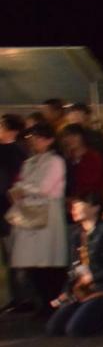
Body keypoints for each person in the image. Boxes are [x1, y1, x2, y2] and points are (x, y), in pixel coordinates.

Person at [46, 194, 103, 337]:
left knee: (75, 330)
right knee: (54, 328)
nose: (74, 209)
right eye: (73, 206)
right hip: (83, 290)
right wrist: (66, 290)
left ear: (95, 208)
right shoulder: (76, 234)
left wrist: (94, 277)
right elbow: (74, 267)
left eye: (79, 205)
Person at [8, 121, 69, 313]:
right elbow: (23, 183)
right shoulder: (29, 162)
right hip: (29, 213)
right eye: (32, 138)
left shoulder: (55, 161)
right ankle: (44, 303)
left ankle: (54, 303)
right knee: (33, 264)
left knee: (49, 262)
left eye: (39, 138)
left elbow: (45, 188)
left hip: (48, 213)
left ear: (50, 140)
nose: (34, 142)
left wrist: (23, 189)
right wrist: (19, 190)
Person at [0, 114, 27, 311]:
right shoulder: (21, 151)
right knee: (11, 256)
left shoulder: (15, 151)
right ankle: (16, 297)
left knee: (15, 255)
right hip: (9, 207)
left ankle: (21, 297)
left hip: (11, 208)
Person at [59, 123, 103, 197]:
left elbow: (93, 184)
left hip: (91, 200)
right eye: (66, 136)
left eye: (74, 135)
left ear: (82, 137)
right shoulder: (67, 160)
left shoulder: (93, 157)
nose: (70, 139)